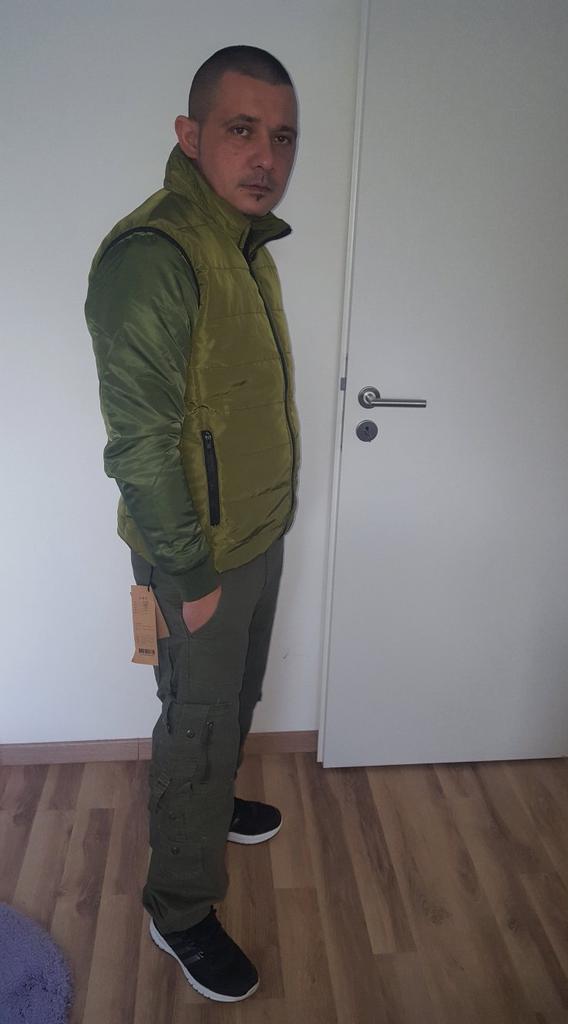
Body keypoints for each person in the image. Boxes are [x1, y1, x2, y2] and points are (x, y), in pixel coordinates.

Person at [85, 45, 300, 1004]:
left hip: (255, 534)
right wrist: (188, 575)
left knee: (233, 702)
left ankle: (211, 809)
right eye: (242, 130)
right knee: (195, 725)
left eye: (282, 137)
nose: (266, 156)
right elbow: (139, 446)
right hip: (196, 558)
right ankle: (177, 910)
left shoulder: (245, 245)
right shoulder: (155, 255)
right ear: (190, 135)